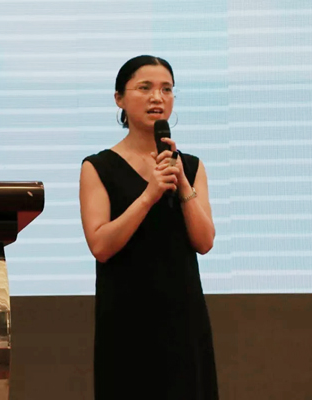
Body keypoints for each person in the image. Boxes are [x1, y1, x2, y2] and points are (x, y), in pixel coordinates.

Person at [79, 55, 219, 399]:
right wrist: (149, 195)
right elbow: (101, 246)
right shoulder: (98, 167)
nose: (158, 97)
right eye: (145, 88)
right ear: (119, 98)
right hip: (126, 319)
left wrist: (182, 184)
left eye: (166, 89)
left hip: (183, 317)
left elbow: (204, 242)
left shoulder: (190, 166)